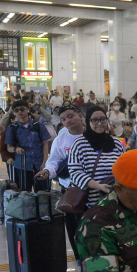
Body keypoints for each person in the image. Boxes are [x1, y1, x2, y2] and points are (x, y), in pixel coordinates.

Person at [37, 104, 85, 251]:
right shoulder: (61, 139)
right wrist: (47, 171)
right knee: (74, 229)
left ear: (80, 116)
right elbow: (54, 162)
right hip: (71, 192)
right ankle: (79, 260)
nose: (68, 121)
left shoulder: (92, 135)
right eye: (64, 119)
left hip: (93, 189)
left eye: (71, 116)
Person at [68, 105, 126, 213]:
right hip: (90, 205)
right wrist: (98, 186)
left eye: (103, 119)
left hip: (115, 203)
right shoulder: (80, 144)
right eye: (94, 120)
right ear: (88, 122)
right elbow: (74, 172)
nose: (99, 123)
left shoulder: (117, 143)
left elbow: (125, 168)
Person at [6, 100, 52, 190]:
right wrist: (16, 149)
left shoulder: (38, 125)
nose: (19, 112)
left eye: (22, 109)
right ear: (14, 112)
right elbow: (9, 147)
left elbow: (45, 143)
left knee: (42, 194)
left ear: (28, 110)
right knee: (24, 194)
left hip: (39, 164)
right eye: (16, 110)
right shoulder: (12, 128)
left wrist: (45, 162)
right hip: (22, 165)